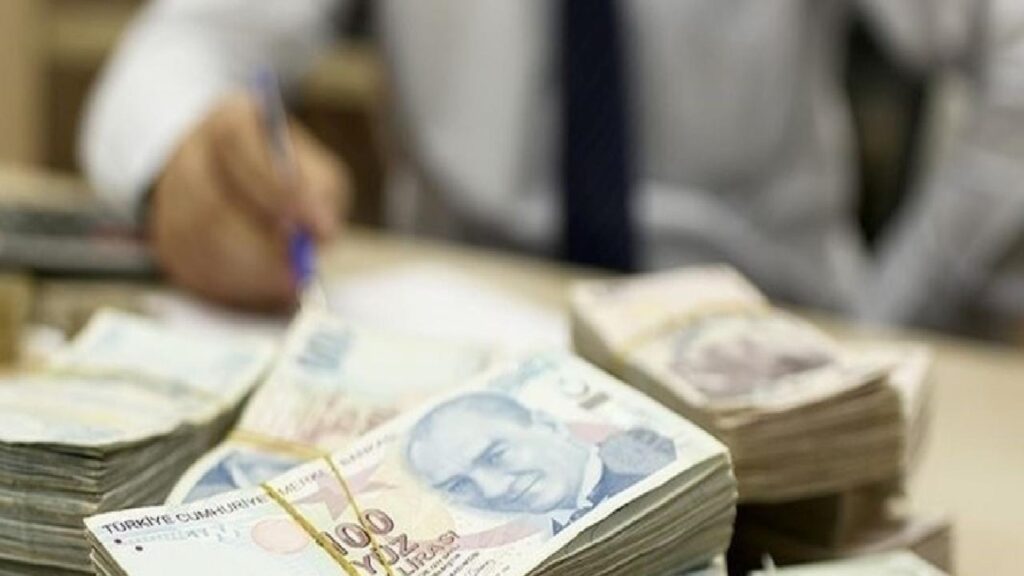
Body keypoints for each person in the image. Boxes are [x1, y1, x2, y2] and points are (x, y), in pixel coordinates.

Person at [80, 1, 1024, 329]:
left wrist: (895, 317)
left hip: (764, 319)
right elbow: (179, 48)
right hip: (457, 334)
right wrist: (189, 158)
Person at [405, 392, 675, 532]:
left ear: (548, 425)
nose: (493, 490)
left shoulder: (662, 459)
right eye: (458, 485)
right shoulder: (553, 547)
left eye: (495, 455)